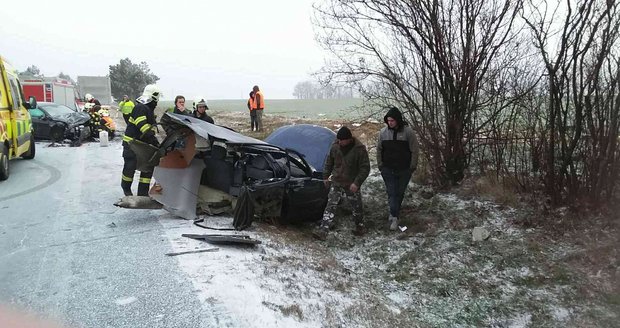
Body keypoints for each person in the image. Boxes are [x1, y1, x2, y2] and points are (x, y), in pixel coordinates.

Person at [313, 126, 370, 240]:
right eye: (338, 140)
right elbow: (329, 162)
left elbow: (365, 168)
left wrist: (357, 183)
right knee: (331, 205)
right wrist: (325, 176)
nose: (340, 142)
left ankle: (360, 226)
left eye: (342, 140)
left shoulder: (359, 149)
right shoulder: (335, 147)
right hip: (337, 181)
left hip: (351, 182)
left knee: (356, 207)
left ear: (349, 139)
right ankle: (323, 230)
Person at [377, 106, 419, 230]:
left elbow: (414, 150)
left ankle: (394, 212)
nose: (390, 123)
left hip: (404, 169)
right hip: (387, 169)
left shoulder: (408, 132)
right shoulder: (383, 133)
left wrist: (412, 166)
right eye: (388, 121)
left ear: (398, 120)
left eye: (392, 121)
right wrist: (380, 165)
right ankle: (394, 216)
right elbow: (379, 149)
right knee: (392, 192)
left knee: (399, 192)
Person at [121, 84, 161, 196]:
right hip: (131, 144)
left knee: (147, 168)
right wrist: (152, 138)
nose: (157, 102)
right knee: (130, 167)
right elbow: (143, 127)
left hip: (141, 145)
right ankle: (127, 190)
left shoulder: (147, 109)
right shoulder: (140, 108)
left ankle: (142, 194)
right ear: (154, 97)